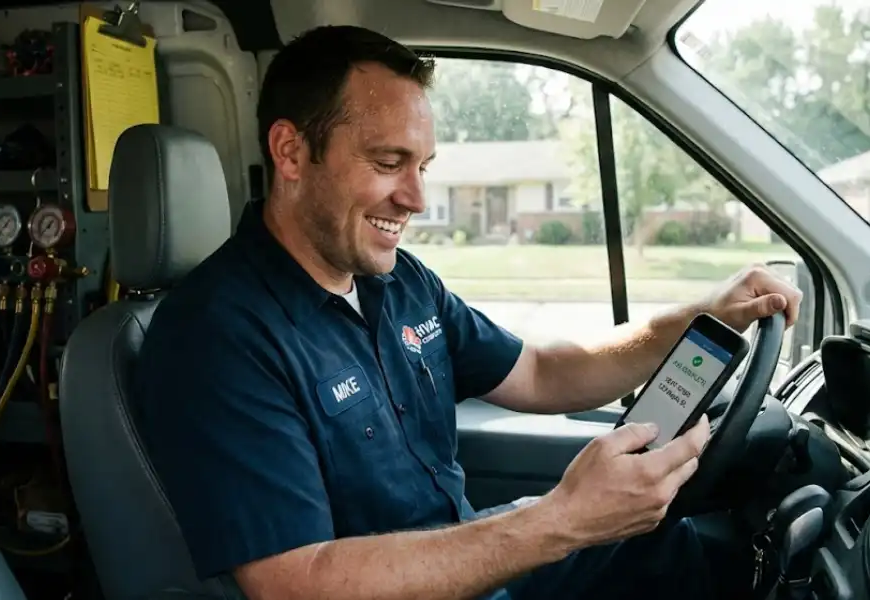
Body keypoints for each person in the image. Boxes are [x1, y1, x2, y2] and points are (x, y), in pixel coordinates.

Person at [133, 24, 802, 600]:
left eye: (424, 164)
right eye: (390, 162)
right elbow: (296, 582)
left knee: (669, 544)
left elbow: (540, 372)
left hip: (474, 568)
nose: (417, 198)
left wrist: (704, 316)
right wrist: (559, 520)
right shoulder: (217, 335)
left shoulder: (395, 282)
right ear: (290, 153)